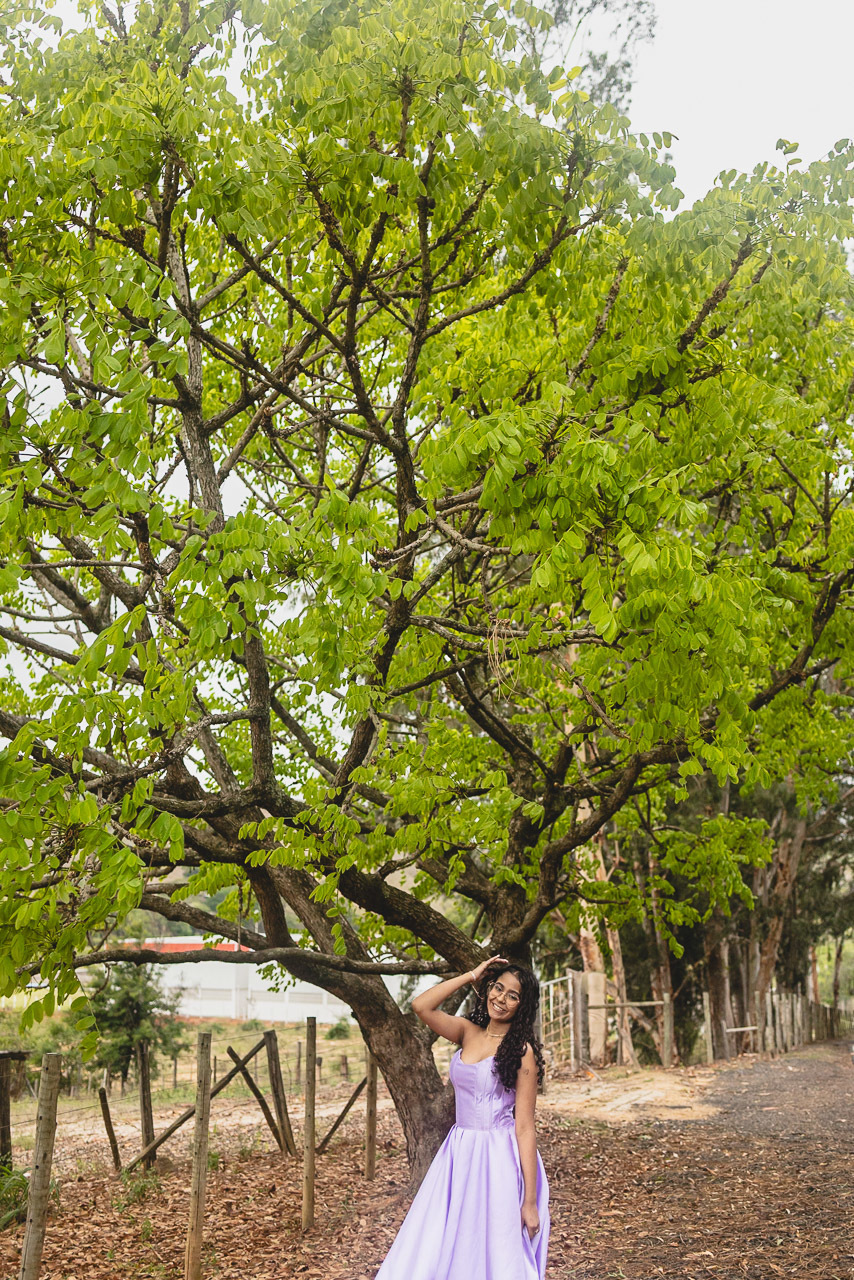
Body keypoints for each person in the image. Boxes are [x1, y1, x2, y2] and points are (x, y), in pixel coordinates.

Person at [374, 955, 550, 1280]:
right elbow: (421, 1006)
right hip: (458, 1151)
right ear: (487, 990)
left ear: (522, 1006)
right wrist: (471, 974)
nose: (502, 998)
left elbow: (525, 1127)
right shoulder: (468, 1032)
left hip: (498, 1156)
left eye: (513, 995)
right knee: (443, 1236)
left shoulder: (521, 1051)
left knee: (494, 1243)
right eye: (498, 988)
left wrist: (530, 1201)